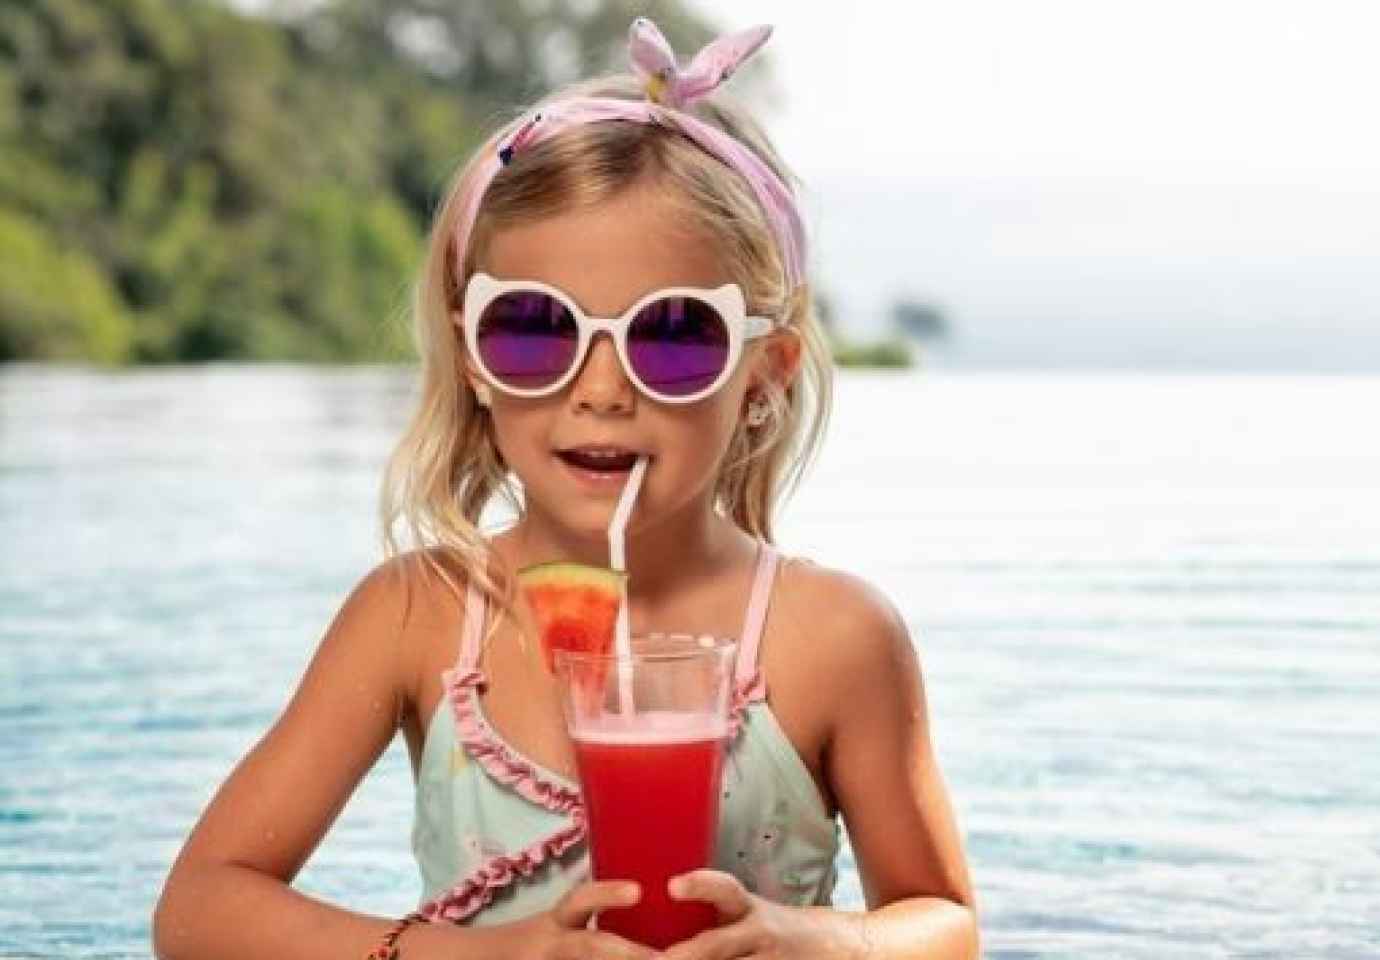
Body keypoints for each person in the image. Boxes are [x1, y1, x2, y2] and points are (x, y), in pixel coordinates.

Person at [153, 16, 977, 960]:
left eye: (672, 335)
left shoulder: (834, 638)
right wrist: (486, 955)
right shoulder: (421, 617)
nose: (599, 390)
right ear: (471, 358)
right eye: (535, 330)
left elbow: (947, 924)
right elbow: (201, 911)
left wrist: (815, 942)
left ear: (766, 374)